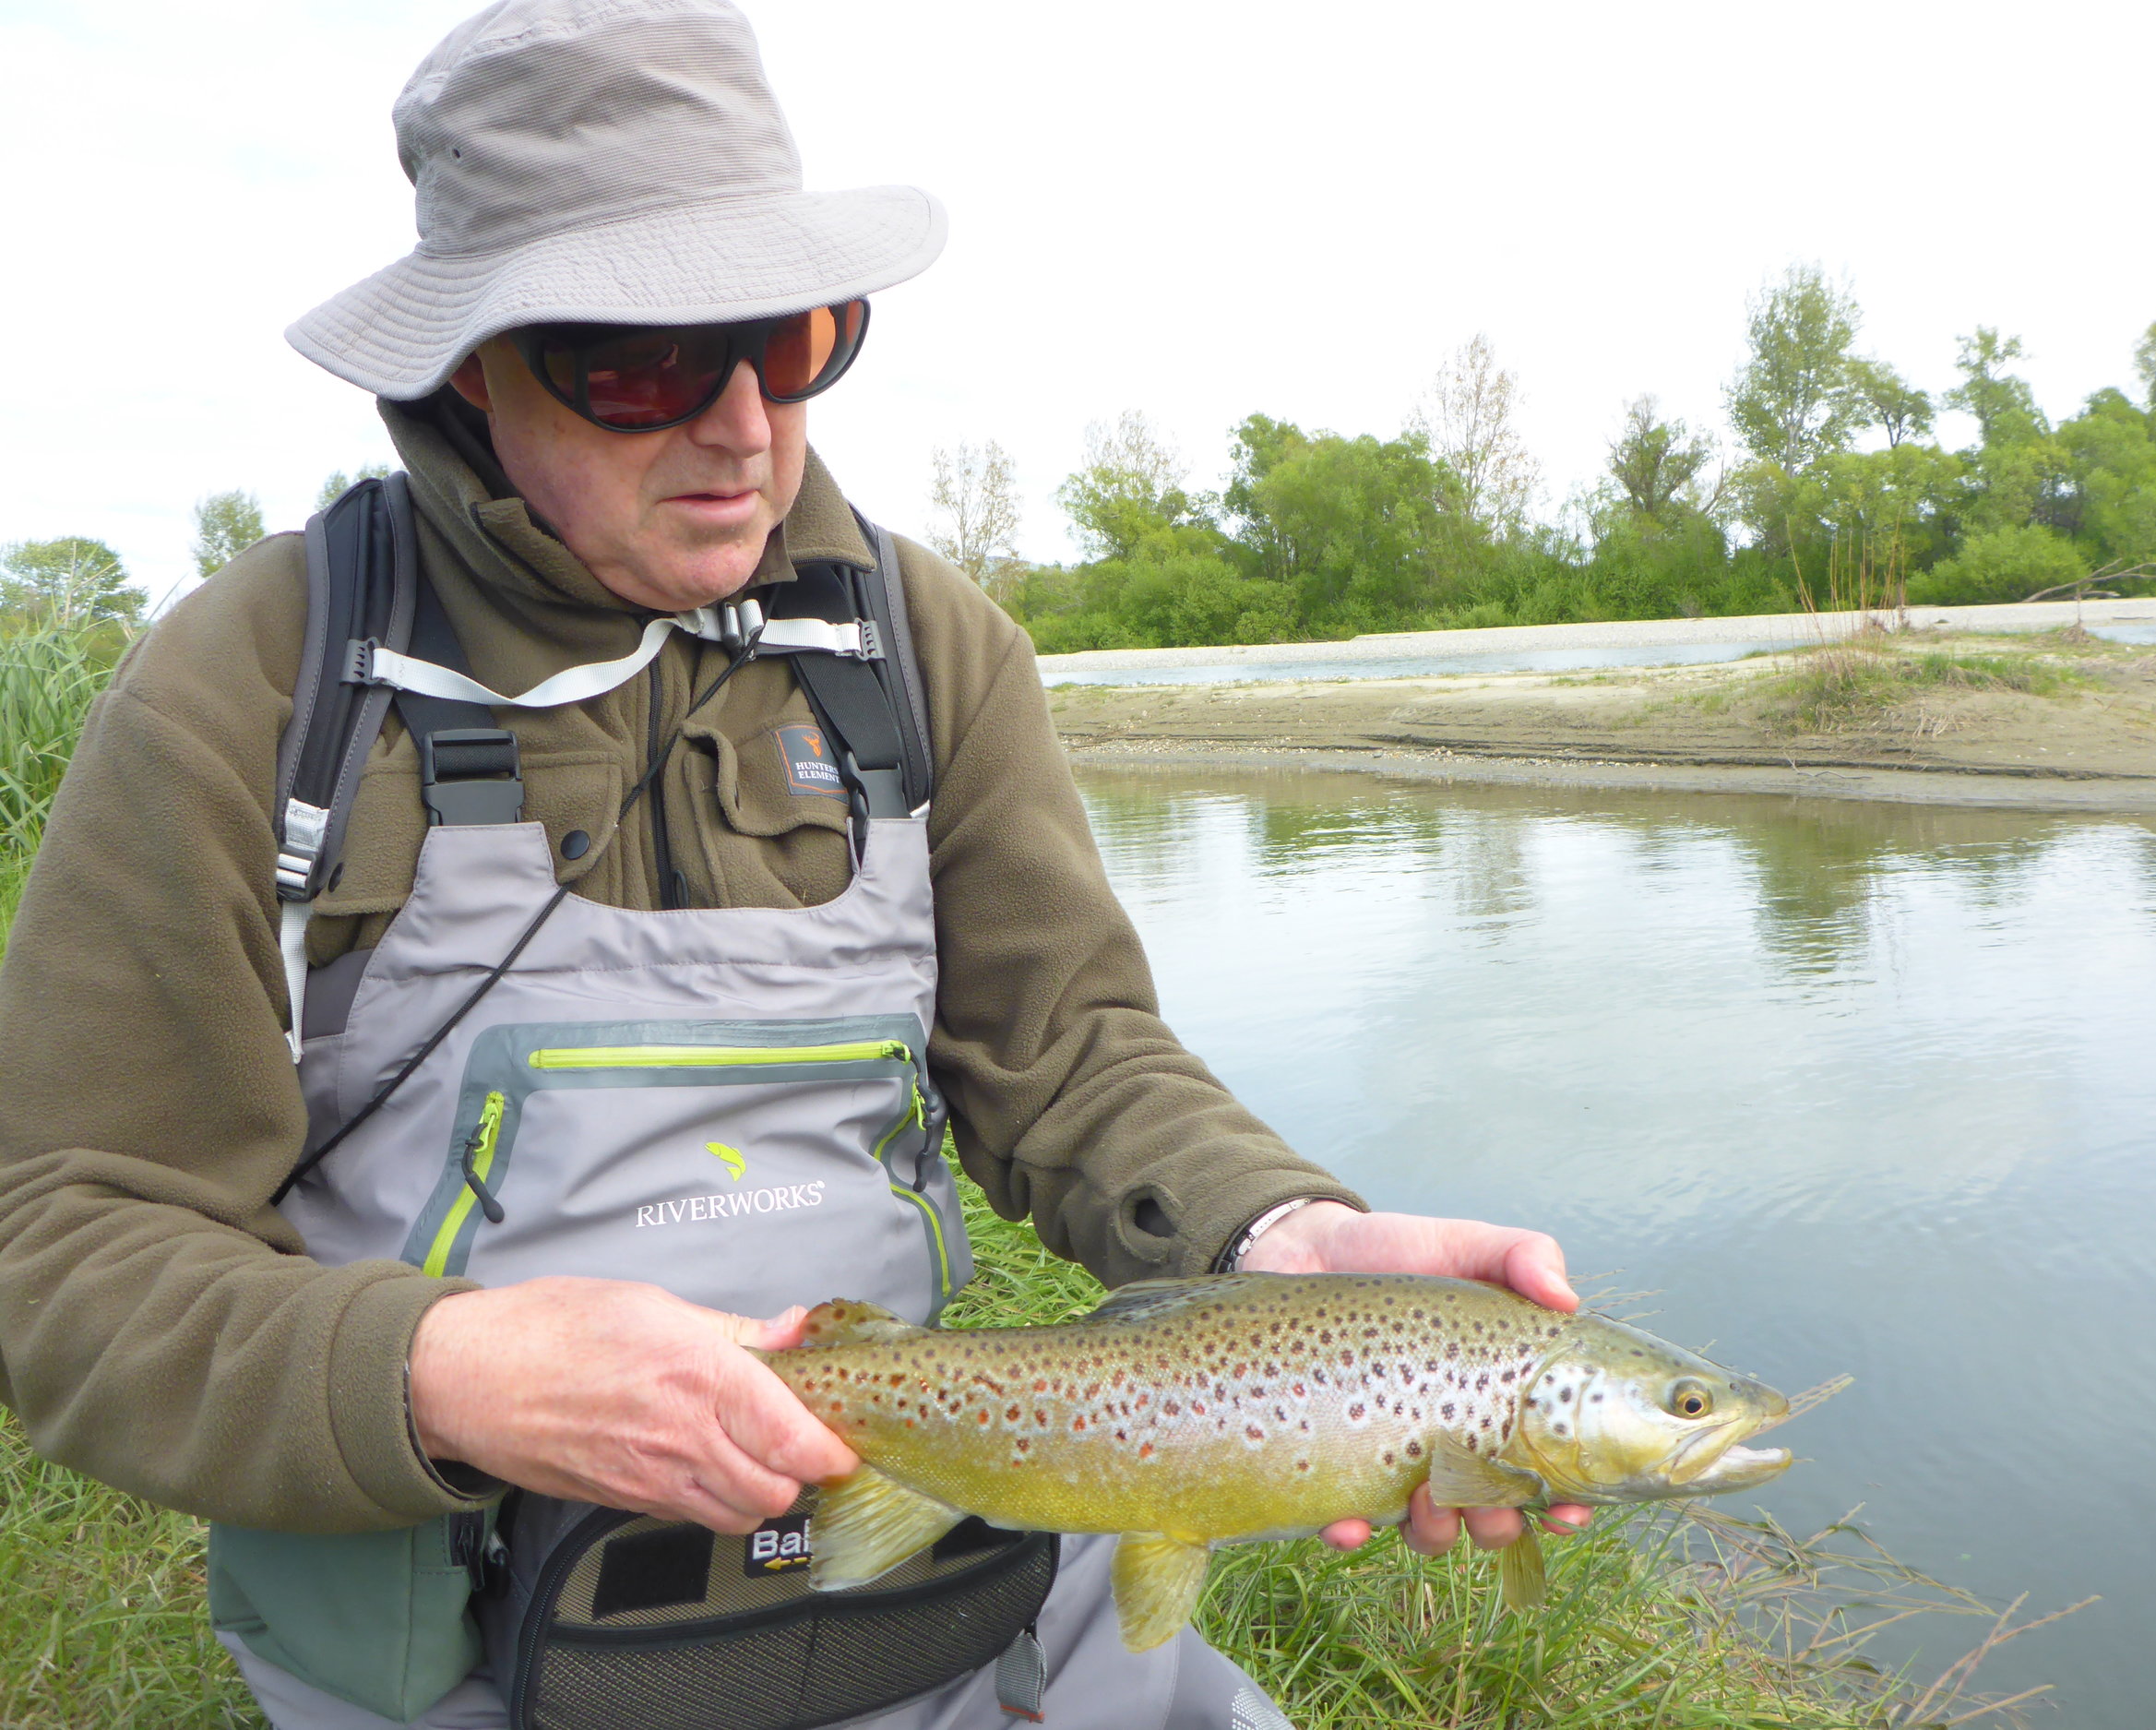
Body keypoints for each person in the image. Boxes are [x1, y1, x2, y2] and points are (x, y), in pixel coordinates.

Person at [0, 3, 1587, 1726]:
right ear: (471, 365)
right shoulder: (250, 685)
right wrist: (438, 1373)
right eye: (640, 366)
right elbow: (65, 1245)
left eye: (794, 336)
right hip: (465, 1653)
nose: (746, 428)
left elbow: (1072, 1059)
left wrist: (1271, 1232)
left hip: (961, 1572)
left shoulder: (929, 647)